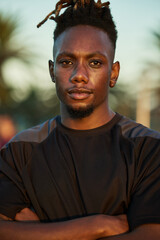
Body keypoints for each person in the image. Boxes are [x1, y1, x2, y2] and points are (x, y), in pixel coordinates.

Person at [0, 0, 160, 239]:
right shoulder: (20, 150)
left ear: (113, 73)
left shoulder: (148, 148)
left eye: (95, 63)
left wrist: (38, 232)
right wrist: (96, 226)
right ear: (52, 71)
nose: (79, 76)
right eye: (67, 62)